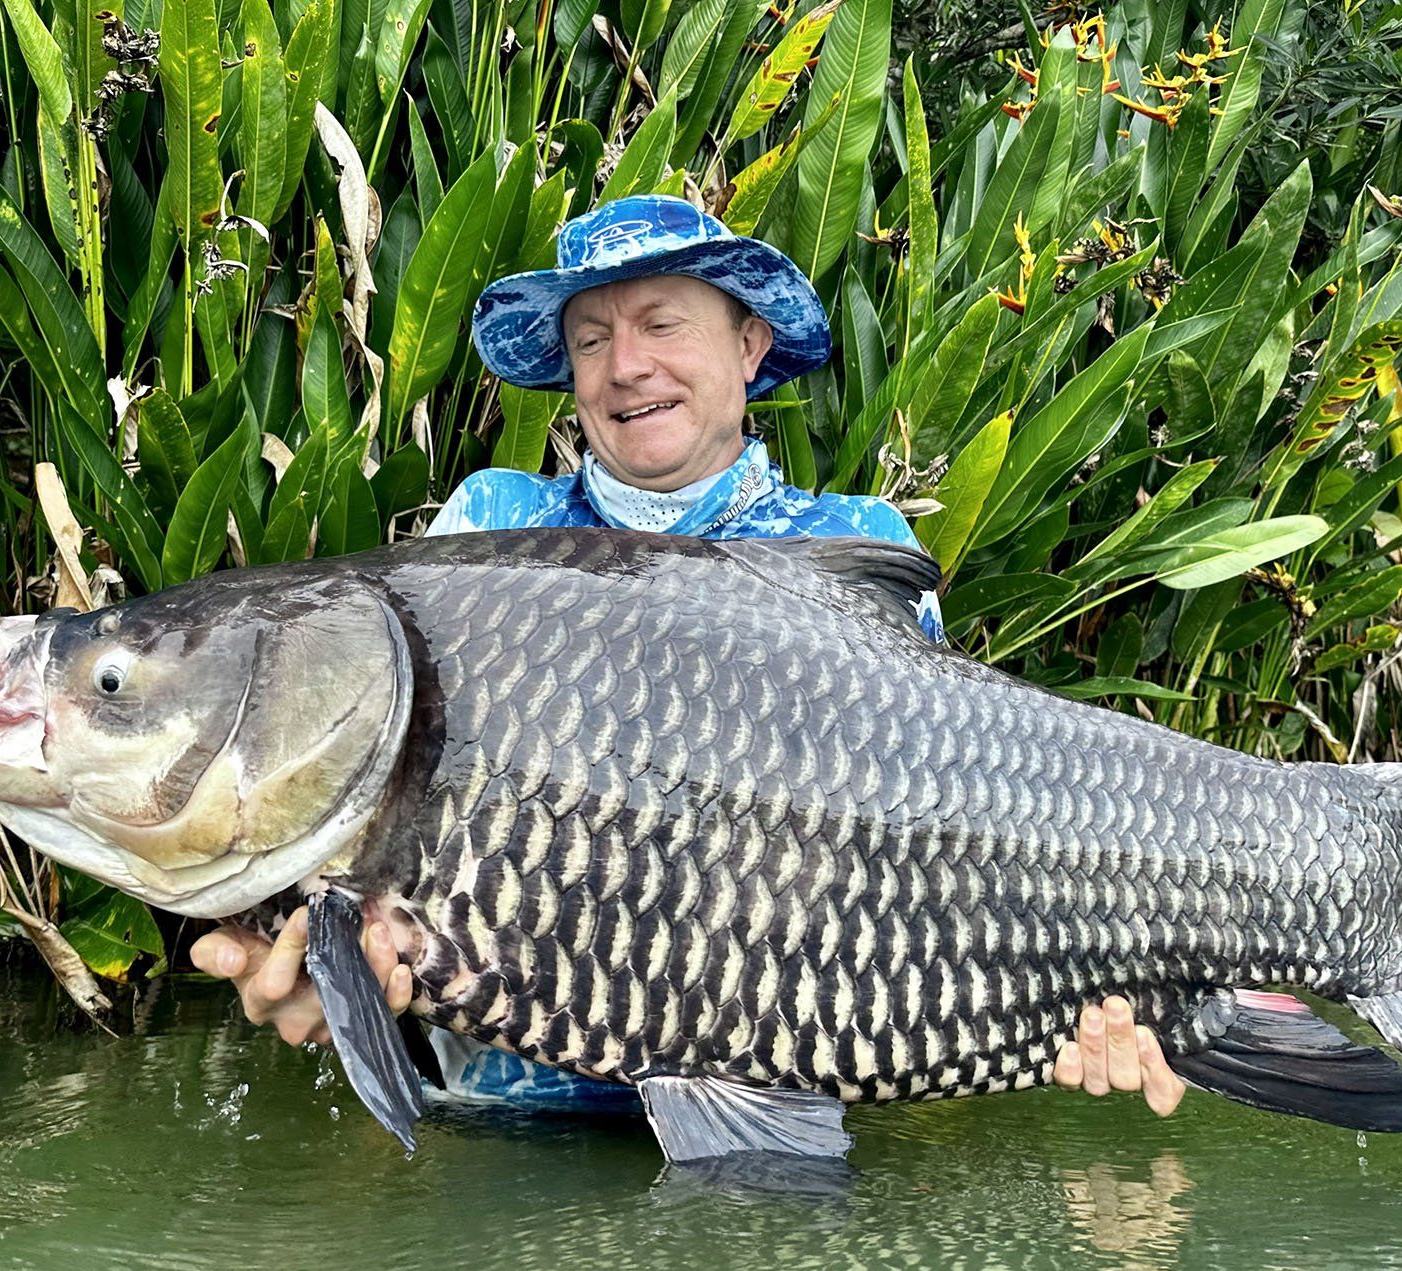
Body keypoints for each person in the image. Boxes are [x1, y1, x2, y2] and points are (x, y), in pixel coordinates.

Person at [189, 196, 1186, 1123]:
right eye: (591, 339)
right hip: (516, 1128)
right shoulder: (495, 528)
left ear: (749, 345)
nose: (625, 365)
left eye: (662, 323)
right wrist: (329, 980)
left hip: (786, 1104)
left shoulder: (849, 545)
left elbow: (934, 845)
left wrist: (1097, 988)